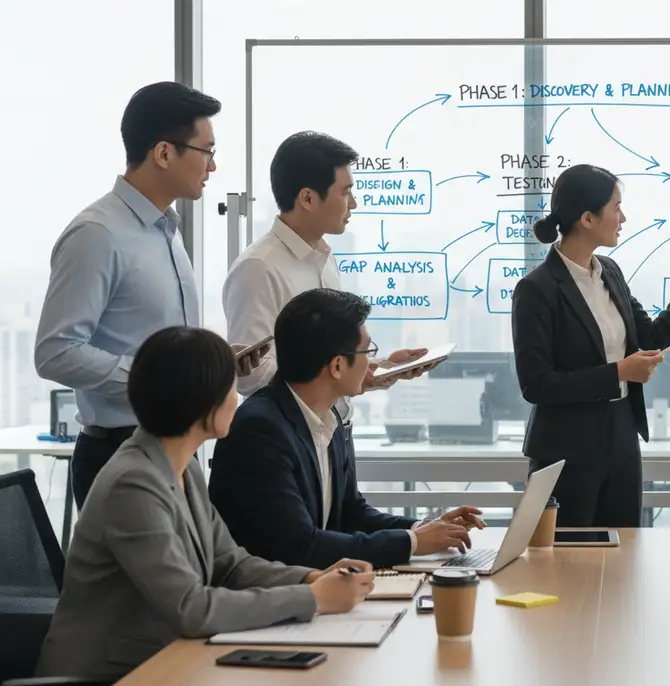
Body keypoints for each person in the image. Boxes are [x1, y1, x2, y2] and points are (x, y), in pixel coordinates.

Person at [35, 327, 374, 680]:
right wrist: (314, 600)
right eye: (230, 386)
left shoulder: (183, 468)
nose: (236, 399)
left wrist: (311, 578)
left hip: (166, 658)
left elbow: (230, 565)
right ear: (202, 400)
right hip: (110, 674)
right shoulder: (132, 484)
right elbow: (191, 608)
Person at [34, 82, 264, 507]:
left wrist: (209, 364)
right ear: (163, 153)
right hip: (120, 452)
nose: (212, 166)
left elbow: (162, 345)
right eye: (206, 151)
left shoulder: (165, 231)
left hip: (176, 449)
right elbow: (55, 352)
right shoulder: (98, 234)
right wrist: (158, 382)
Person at [209, 288, 485, 569]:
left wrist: (425, 527)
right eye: (368, 351)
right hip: (270, 601)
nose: (371, 362)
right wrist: (412, 542)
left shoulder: (329, 417)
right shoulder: (260, 430)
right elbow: (298, 546)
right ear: (338, 366)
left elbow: (350, 513)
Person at [511, 164, 670, 528]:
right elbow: (536, 384)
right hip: (565, 451)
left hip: (622, 440)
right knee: (566, 565)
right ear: (588, 218)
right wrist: (619, 373)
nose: (623, 217)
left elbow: (651, 336)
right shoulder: (536, 289)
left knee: (624, 558)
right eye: (616, 208)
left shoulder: (609, 272)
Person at [222, 131, 436, 470]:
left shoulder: (323, 257)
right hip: (289, 442)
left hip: (333, 432)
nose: (353, 204)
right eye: (345, 192)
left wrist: (371, 367)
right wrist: (337, 375)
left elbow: (324, 358)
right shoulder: (259, 267)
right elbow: (250, 376)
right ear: (308, 198)